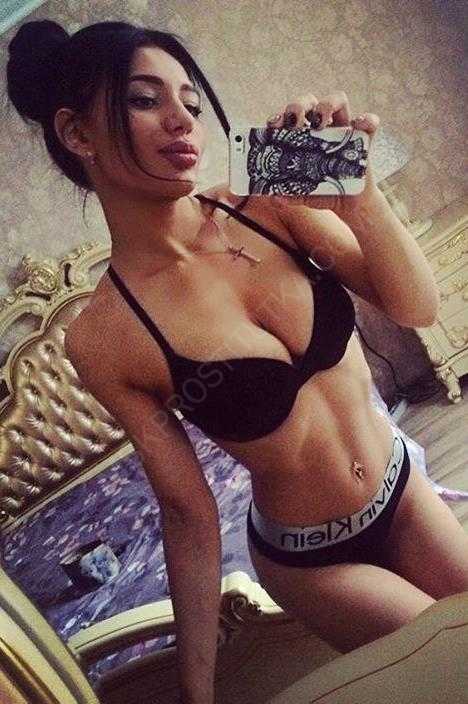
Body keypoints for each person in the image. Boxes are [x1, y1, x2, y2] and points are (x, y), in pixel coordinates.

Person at [6, 19, 468, 704]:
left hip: (402, 490)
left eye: (190, 101)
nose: (182, 120)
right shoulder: (105, 335)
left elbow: (416, 307)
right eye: (145, 99)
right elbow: (187, 510)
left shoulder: (266, 193)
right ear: (77, 133)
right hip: (313, 556)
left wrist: (361, 200)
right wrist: (199, 693)